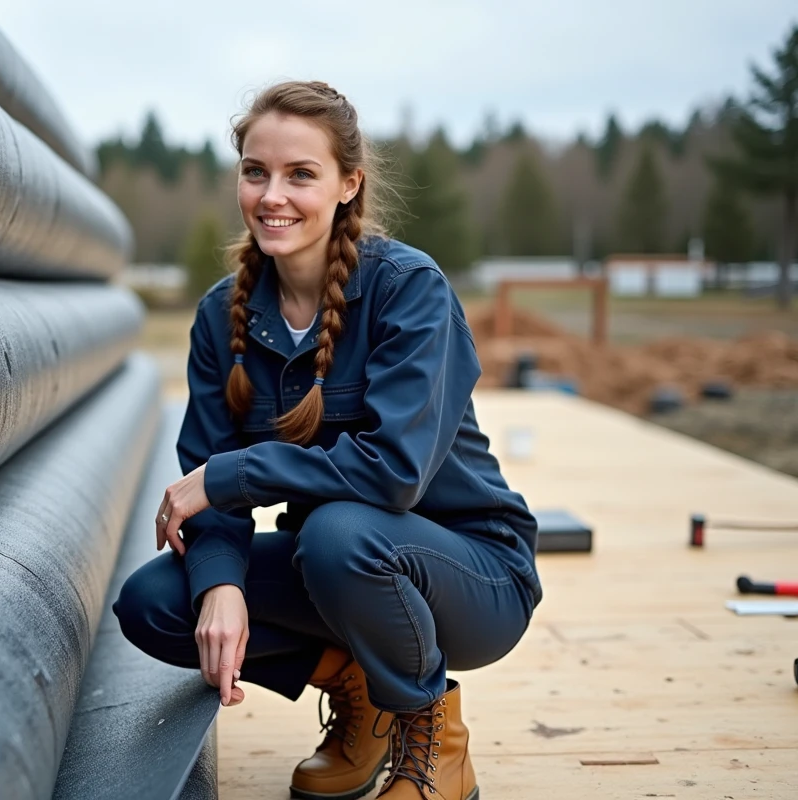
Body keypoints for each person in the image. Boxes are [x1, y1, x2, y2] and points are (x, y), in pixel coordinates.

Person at [112, 80, 542, 800]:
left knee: (342, 534)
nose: (272, 195)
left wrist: (234, 476)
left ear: (349, 184)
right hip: (340, 570)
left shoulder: (411, 291)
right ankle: (363, 696)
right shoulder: (224, 318)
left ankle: (432, 733)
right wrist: (220, 582)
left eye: (300, 174)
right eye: (256, 171)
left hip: (476, 576)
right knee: (156, 602)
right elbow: (208, 499)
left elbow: (393, 475)